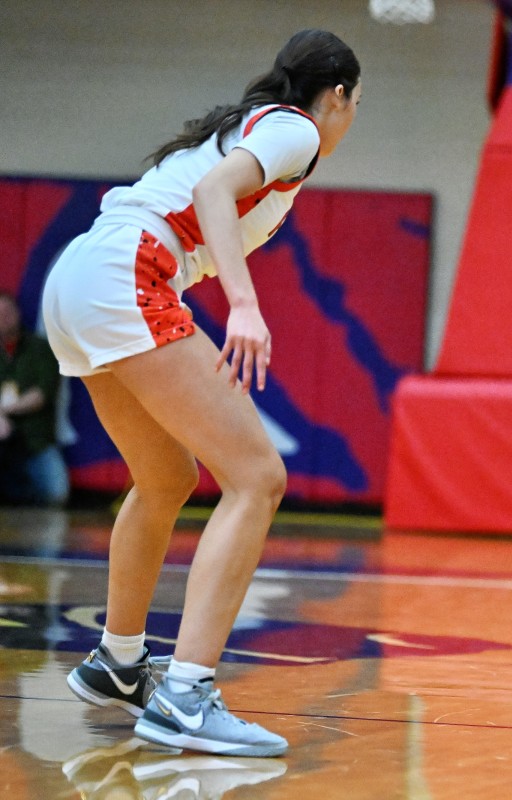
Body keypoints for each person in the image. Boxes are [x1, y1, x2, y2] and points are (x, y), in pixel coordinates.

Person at [41, 29, 362, 757]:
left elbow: (206, 187)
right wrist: (244, 306)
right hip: (126, 272)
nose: (349, 119)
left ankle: (121, 662)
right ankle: (187, 694)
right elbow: (216, 192)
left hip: (80, 276)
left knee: (165, 478)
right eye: (354, 106)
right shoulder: (296, 129)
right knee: (258, 477)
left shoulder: (247, 126)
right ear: (338, 96)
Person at [0, 291, 70, 507]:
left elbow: (42, 394)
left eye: (7, 312)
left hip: (35, 440)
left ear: (18, 313)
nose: (4, 318)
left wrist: (4, 411)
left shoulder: (40, 348)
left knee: (56, 493)